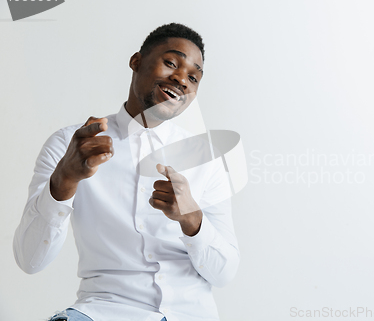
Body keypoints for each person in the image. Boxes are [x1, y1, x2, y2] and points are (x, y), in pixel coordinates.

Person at [13, 23, 239, 321]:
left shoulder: (205, 159)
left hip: (189, 314)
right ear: (136, 61)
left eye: (193, 77)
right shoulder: (72, 145)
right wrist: (64, 180)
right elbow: (30, 260)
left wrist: (192, 219)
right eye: (171, 62)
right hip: (103, 311)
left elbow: (224, 273)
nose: (181, 79)